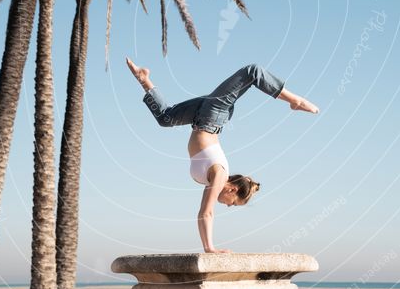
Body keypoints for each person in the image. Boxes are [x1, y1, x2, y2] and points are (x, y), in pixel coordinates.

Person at [126, 59, 319, 253]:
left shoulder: (214, 180)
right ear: (232, 190)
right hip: (213, 114)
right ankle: (295, 100)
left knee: (165, 118)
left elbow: (205, 210)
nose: (228, 206)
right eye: (233, 203)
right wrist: (210, 248)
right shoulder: (219, 175)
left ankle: (143, 78)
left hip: (201, 118)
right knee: (252, 72)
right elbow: (206, 213)